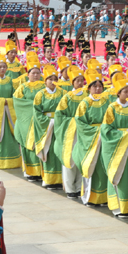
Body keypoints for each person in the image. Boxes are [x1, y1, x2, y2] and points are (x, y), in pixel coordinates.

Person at [101, 73, 128, 217]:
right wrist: (124, 136)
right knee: (120, 174)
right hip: (119, 147)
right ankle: (119, 207)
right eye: (125, 91)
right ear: (118, 93)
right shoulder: (112, 108)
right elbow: (106, 129)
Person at [70, 71, 112, 206]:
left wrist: (106, 130)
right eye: (95, 86)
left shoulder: (106, 101)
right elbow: (80, 122)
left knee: (103, 168)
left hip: (104, 138)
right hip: (91, 140)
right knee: (91, 167)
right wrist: (97, 131)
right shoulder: (85, 103)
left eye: (100, 86)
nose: (98, 89)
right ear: (89, 88)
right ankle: (90, 197)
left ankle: (104, 198)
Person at [54, 67, 87, 198]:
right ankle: (69, 188)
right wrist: (74, 121)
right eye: (77, 80)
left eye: (82, 80)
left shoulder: (86, 96)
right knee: (70, 159)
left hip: (83, 132)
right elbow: (59, 115)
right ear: (72, 82)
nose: (80, 83)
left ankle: (79, 187)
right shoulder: (67, 97)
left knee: (81, 159)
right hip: (70, 133)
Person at [13, 58, 45, 181]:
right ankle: (30, 171)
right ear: (28, 74)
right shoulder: (23, 87)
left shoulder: (44, 86)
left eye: (38, 73)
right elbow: (18, 102)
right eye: (33, 73)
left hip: (41, 121)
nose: (36, 75)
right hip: (26, 120)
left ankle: (41, 171)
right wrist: (36, 106)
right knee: (28, 144)